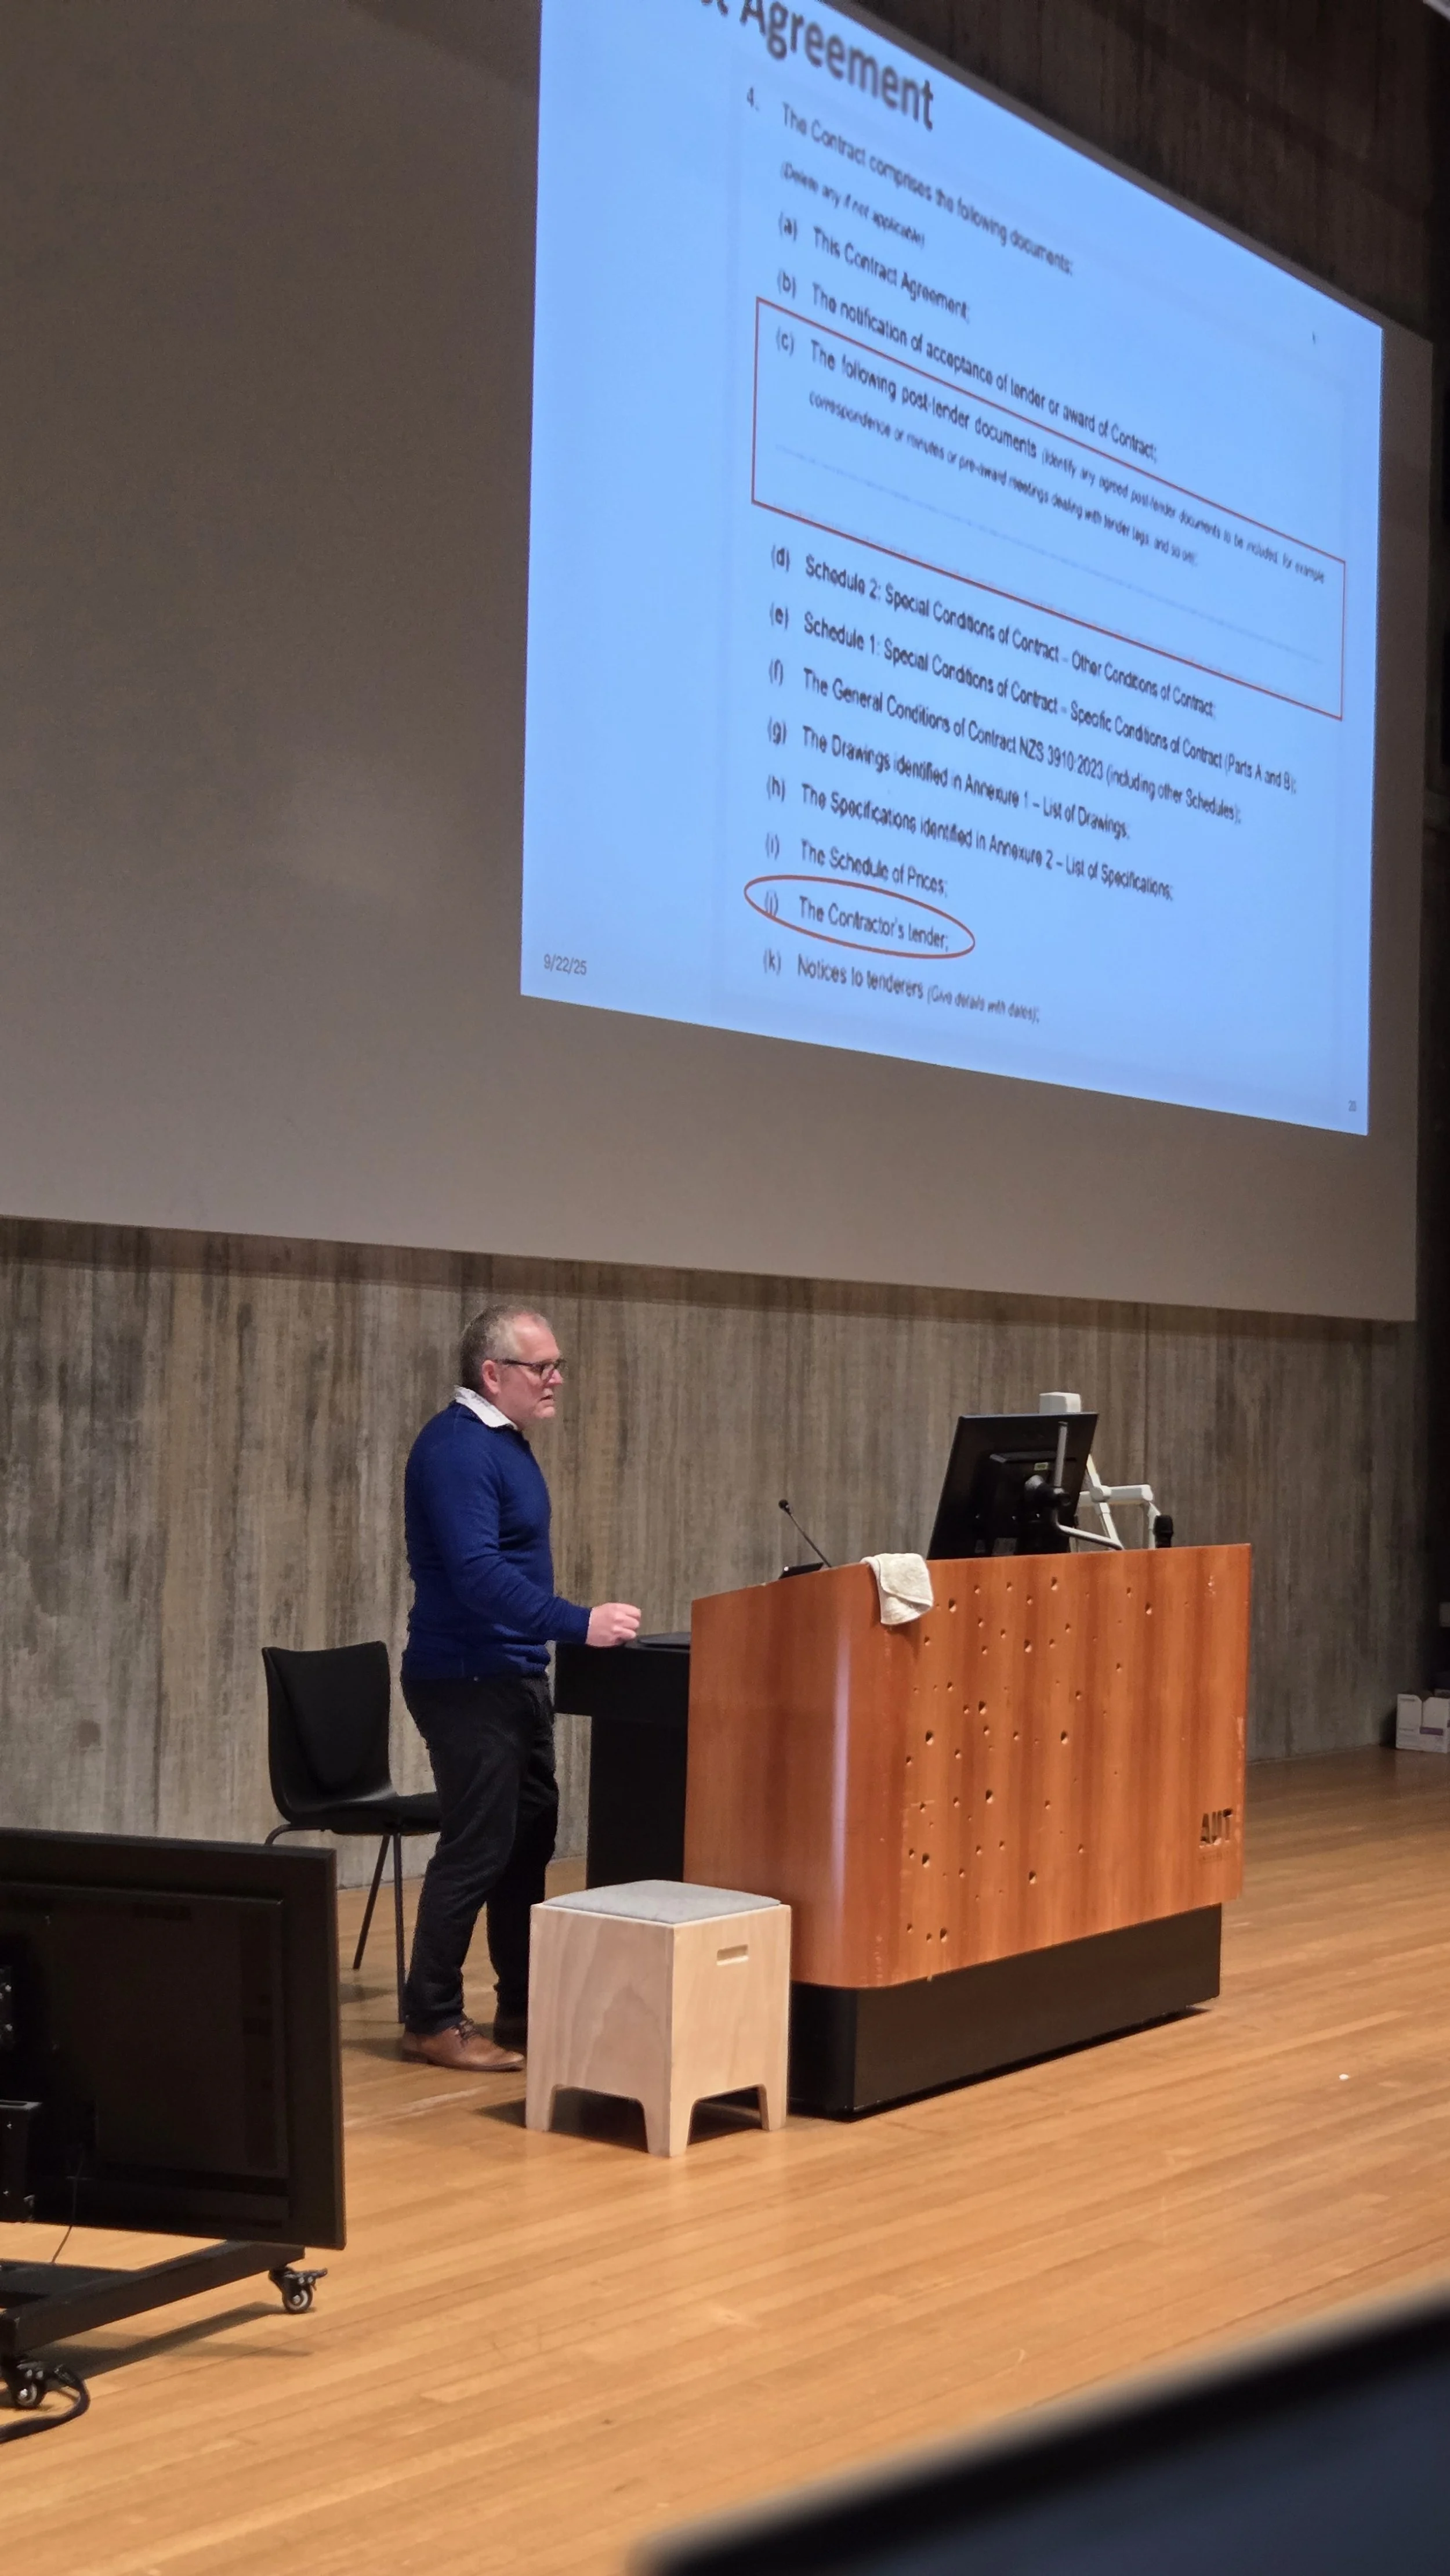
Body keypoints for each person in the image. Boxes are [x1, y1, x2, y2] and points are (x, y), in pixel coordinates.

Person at [398, 1301, 640, 2070]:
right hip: (467, 1679)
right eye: (543, 1367)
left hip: (513, 1676)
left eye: (557, 1365)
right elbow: (475, 1575)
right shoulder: (458, 1451)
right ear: (491, 1373)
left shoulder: (506, 1444)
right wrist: (577, 1623)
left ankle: (524, 2011)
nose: (556, 1379)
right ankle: (430, 2018)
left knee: (526, 1845)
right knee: (478, 1848)